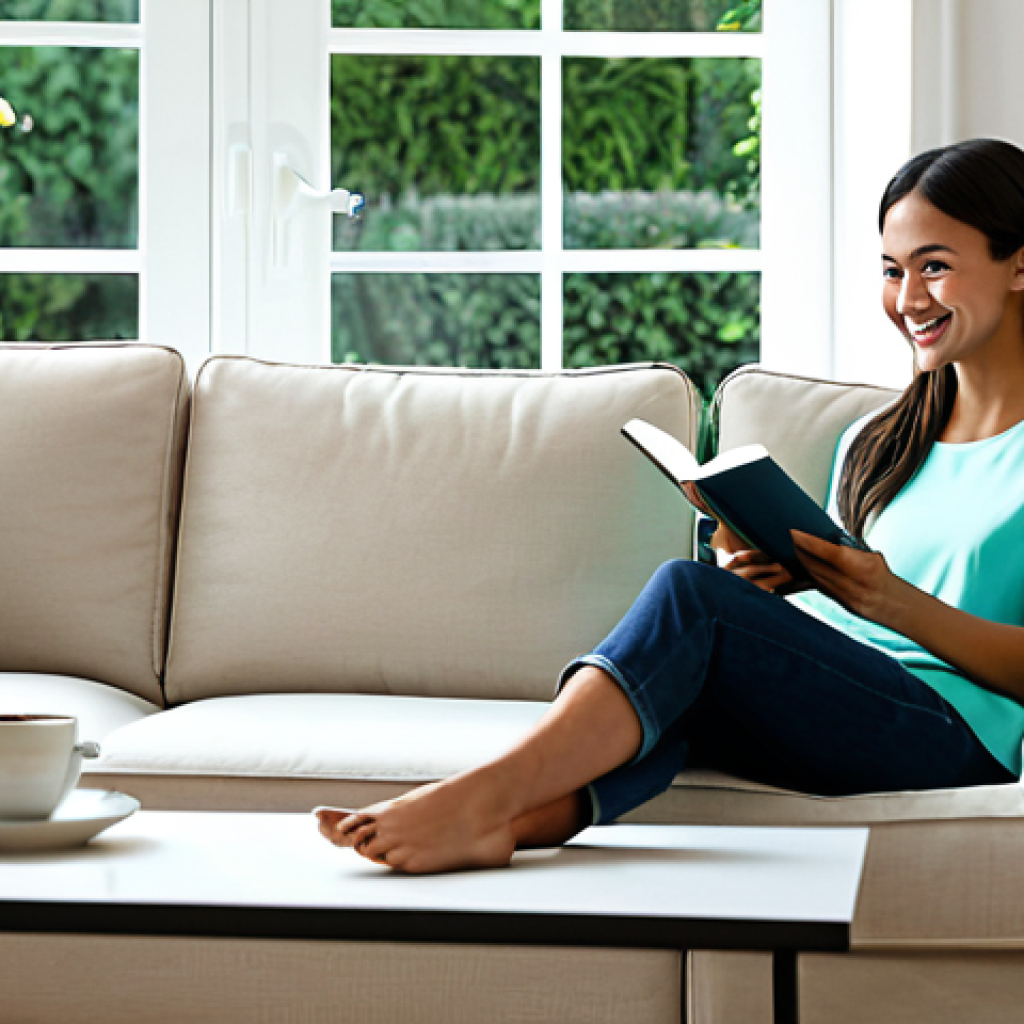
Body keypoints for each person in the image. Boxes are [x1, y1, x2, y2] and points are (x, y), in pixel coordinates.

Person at [316, 138, 1024, 874]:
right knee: (685, 670)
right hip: (849, 695)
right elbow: (847, 615)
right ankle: (517, 822)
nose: (908, 300)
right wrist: (769, 581)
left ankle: (481, 796)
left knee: (689, 599)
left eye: (934, 267)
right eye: (892, 270)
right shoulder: (878, 440)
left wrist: (893, 602)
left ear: (1018, 264)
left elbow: (896, 609)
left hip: (955, 734)